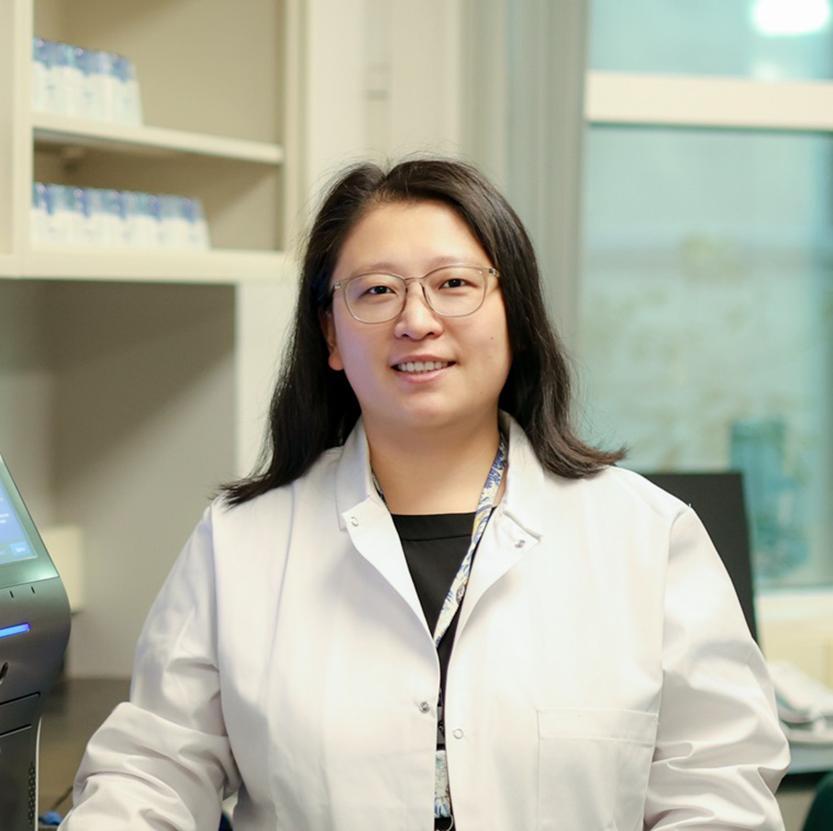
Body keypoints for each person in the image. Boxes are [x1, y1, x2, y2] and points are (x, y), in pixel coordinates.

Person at [61, 159, 790, 830]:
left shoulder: (645, 534)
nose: (416, 320)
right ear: (331, 336)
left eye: (454, 284)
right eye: (377, 291)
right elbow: (153, 773)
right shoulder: (240, 540)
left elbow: (718, 792)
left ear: (514, 314)